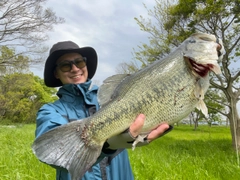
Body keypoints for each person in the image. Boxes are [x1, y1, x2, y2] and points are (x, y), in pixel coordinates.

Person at [34, 41, 173, 180]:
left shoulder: (111, 99)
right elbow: (56, 153)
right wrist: (107, 146)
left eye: (79, 62)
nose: (75, 69)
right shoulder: (50, 111)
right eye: (65, 65)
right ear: (56, 73)